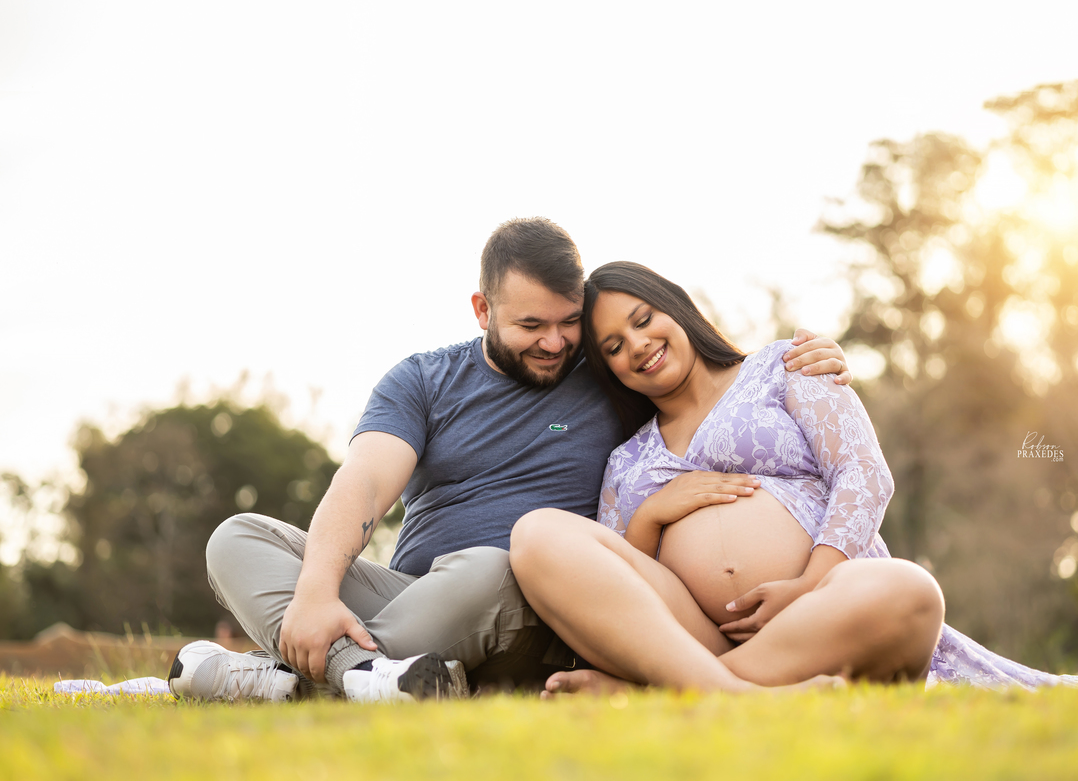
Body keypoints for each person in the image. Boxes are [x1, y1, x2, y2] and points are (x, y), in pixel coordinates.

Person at [168, 217, 852, 703]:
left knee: (491, 566)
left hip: (522, 598)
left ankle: (284, 678)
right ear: (482, 309)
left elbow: (696, 374)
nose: (555, 343)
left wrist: (802, 361)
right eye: (531, 325)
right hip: (413, 601)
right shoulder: (423, 380)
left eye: (568, 321)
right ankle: (370, 678)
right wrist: (316, 592)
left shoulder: (610, 370)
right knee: (238, 538)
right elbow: (368, 480)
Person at [509, 261, 1078, 700]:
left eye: (642, 320)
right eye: (613, 347)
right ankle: (729, 693)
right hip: (702, 638)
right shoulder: (628, 462)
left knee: (910, 591)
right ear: (608, 369)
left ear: (675, 307)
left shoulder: (786, 365)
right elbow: (617, 581)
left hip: (828, 613)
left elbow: (864, 473)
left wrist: (810, 584)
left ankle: (663, 697)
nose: (637, 345)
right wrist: (652, 515)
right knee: (536, 535)